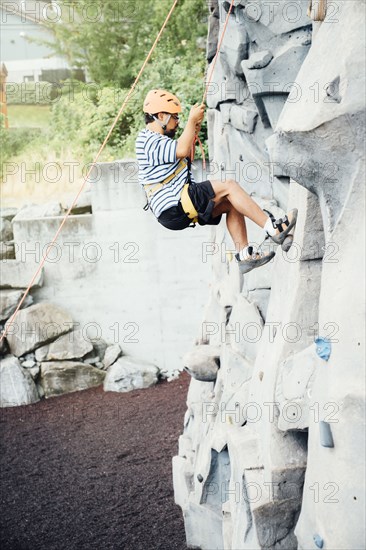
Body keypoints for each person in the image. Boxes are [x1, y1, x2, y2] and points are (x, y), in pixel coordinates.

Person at [136, 89, 297, 273]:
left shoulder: (158, 140)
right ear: (161, 116)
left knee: (231, 203)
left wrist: (192, 129)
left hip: (174, 210)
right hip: (175, 202)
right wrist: (190, 120)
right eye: (174, 117)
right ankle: (274, 228)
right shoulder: (147, 140)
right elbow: (181, 150)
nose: (177, 122)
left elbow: (181, 156)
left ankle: (244, 256)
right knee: (229, 186)